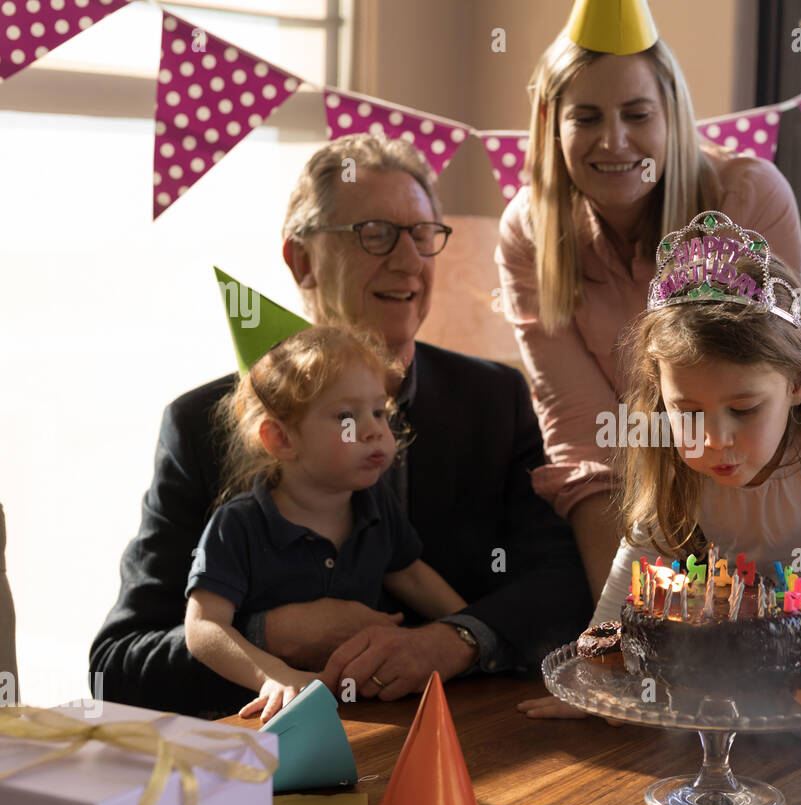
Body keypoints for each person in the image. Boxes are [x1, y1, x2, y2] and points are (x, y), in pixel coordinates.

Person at [91, 133, 591, 720]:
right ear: (301, 259)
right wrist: (263, 634)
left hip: (465, 751)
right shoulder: (199, 427)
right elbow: (115, 669)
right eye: (374, 234)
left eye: (423, 236)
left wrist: (454, 638)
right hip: (280, 779)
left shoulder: (493, 400)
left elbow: (563, 587)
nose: (408, 262)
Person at [524, 212, 801, 771]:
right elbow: (640, 553)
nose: (715, 440)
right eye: (688, 411)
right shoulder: (671, 456)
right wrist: (595, 671)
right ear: (662, 394)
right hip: (734, 616)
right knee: (648, 699)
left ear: (799, 384)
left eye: (745, 410)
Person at [496, 17, 801, 603]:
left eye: (637, 115)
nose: (613, 141)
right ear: (550, 126)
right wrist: (629, 626)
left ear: (673, 118)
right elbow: (584, 439)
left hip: (764, 506)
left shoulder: (747, 198)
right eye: (585, 117)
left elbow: (764, 405)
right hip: (623, 519)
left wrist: (716, 603)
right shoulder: (529, 232)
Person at [185, 327, 468, 722]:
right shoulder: (237, 525)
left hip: (369, 714)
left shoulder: (375, 502)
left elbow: (412, 577)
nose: (373, 430)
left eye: (378, 411)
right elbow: (202, 629)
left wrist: (469, 632)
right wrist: (274, 676)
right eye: (346, 416)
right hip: (274, 722)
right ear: (281, 439)